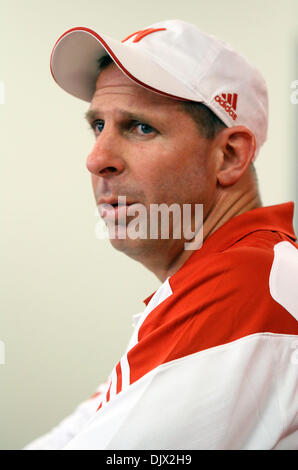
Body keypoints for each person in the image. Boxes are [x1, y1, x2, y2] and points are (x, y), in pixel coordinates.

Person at [25, 19, 298, 450]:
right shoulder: (232, 275)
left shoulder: (249, 285)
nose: (97, 159)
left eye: (139, 127)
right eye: (98, 126)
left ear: (229, 155)